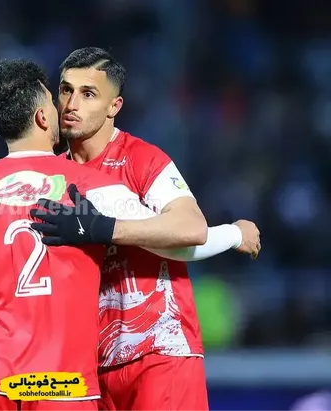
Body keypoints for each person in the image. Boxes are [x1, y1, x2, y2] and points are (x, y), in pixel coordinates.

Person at [0, 59, 237, 411]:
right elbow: (181, 243)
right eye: (53, 99)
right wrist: (234, 235)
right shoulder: (90, 187)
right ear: (42, 118)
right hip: (61, 385)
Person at [29, 47, 261, 411]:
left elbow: (191, 227)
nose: (72, 104)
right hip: (87, 368)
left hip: (159, 353)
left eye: (88, 94)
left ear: (114, 106)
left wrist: (102, 228)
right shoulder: (49, 176)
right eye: (66, 90)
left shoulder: (141, 159)